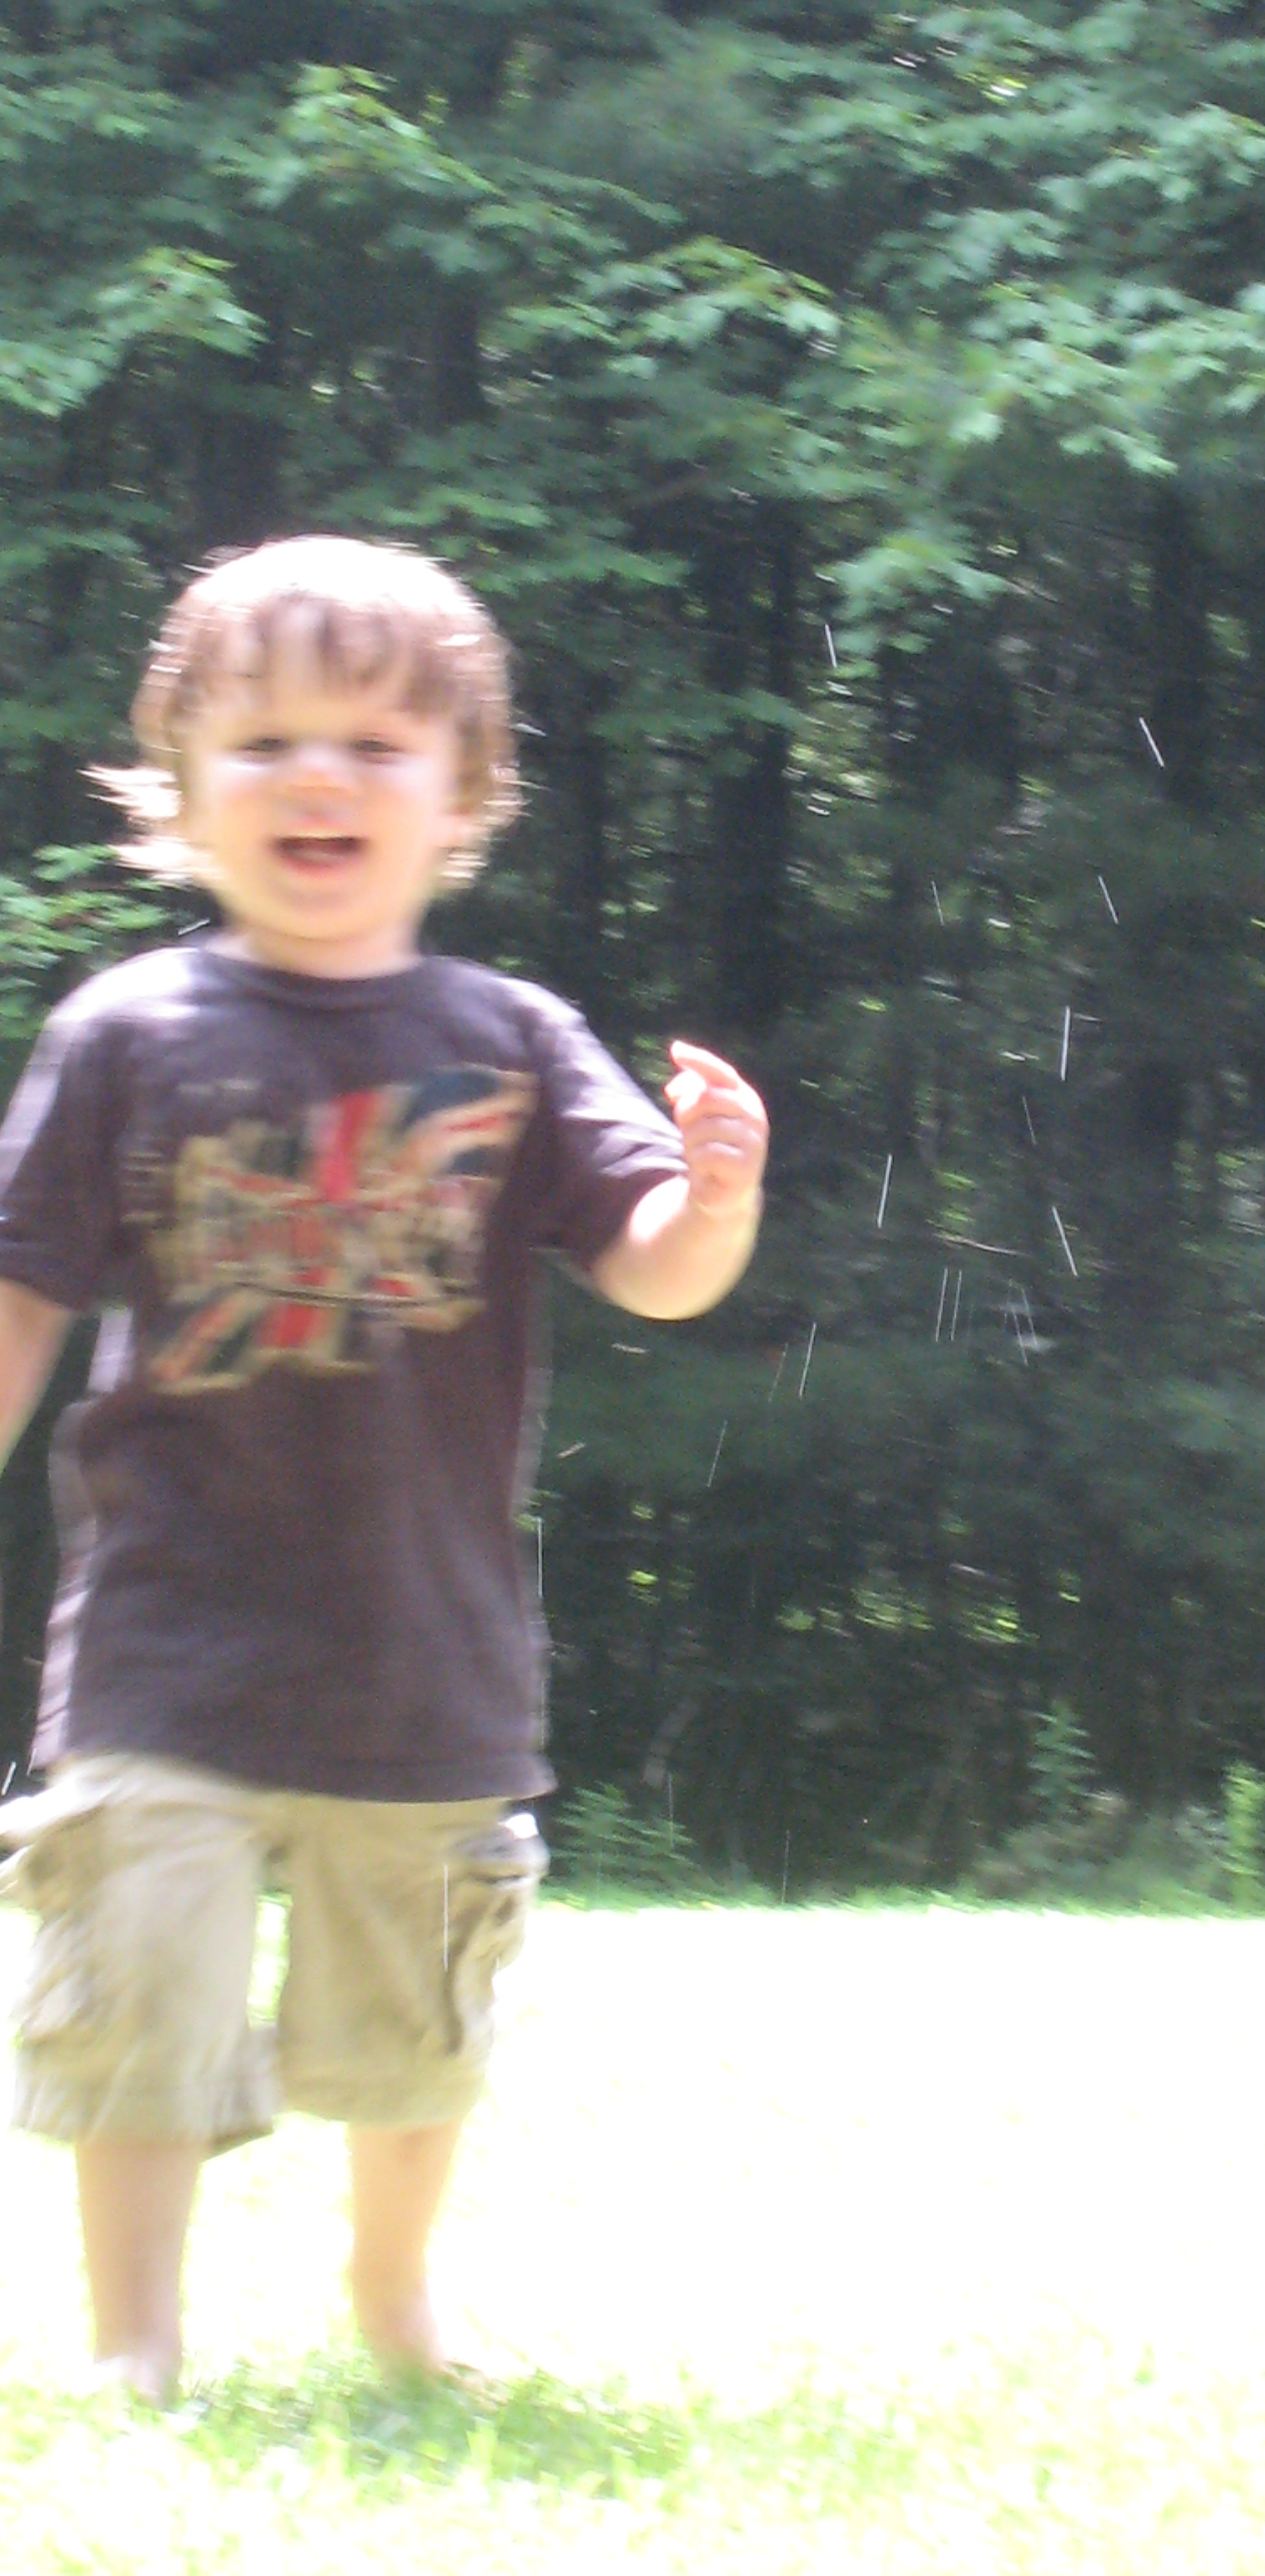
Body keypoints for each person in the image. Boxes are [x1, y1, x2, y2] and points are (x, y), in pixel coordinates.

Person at [0, 536, 770, 2399]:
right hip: (165, 1640)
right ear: (179, 792)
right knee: (137, 1989)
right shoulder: (123, 1034)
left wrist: (716, 1197)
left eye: (371, 742)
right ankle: (135, 2343)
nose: (316, 778)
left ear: (465, 794)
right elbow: (21, 1292)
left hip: (424, 1651)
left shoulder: (511, 1039)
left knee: (414, 2019)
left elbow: (655, 1271)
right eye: (261, 742)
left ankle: (396, 2303)